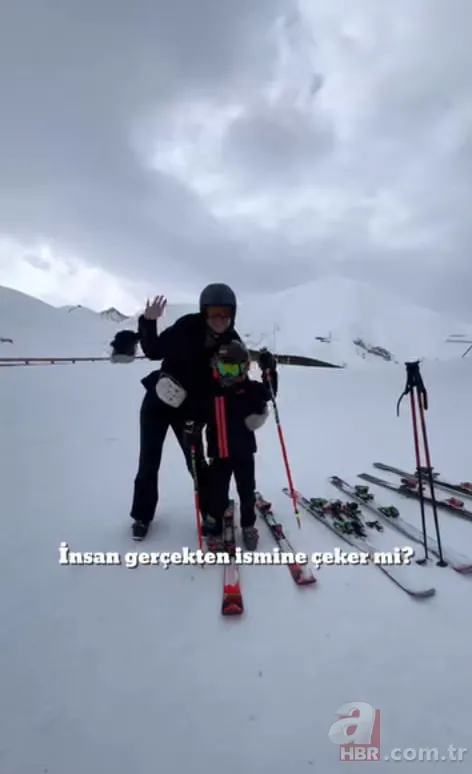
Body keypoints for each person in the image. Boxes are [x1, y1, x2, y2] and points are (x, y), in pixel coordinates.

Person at [110, 283, 243, 540]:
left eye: (225, 313)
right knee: (149, 460)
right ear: (204, 312)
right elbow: (154, 351)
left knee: (196, 464)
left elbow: (229, 384)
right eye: (215, 312)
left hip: (189, 412)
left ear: (233, 314)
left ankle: (212, 511)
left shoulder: (231, 343)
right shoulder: (187, 327)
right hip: (158, 402)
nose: (220, 319)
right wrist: (148, 322)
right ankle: (142, 516)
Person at [184, 339, 277, 551]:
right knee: (217, 493)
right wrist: (192, 429)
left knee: (247, 491)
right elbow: (197, 413)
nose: (228, 374)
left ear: (243, 367)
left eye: (233, 368)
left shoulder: (250, 389)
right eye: (224, 367)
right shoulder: (211, 390)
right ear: (216, 365)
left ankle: (248, 525)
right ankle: (214, 523)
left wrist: (269, 371)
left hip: (244, 453)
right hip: (219, 454)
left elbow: (269, 393)